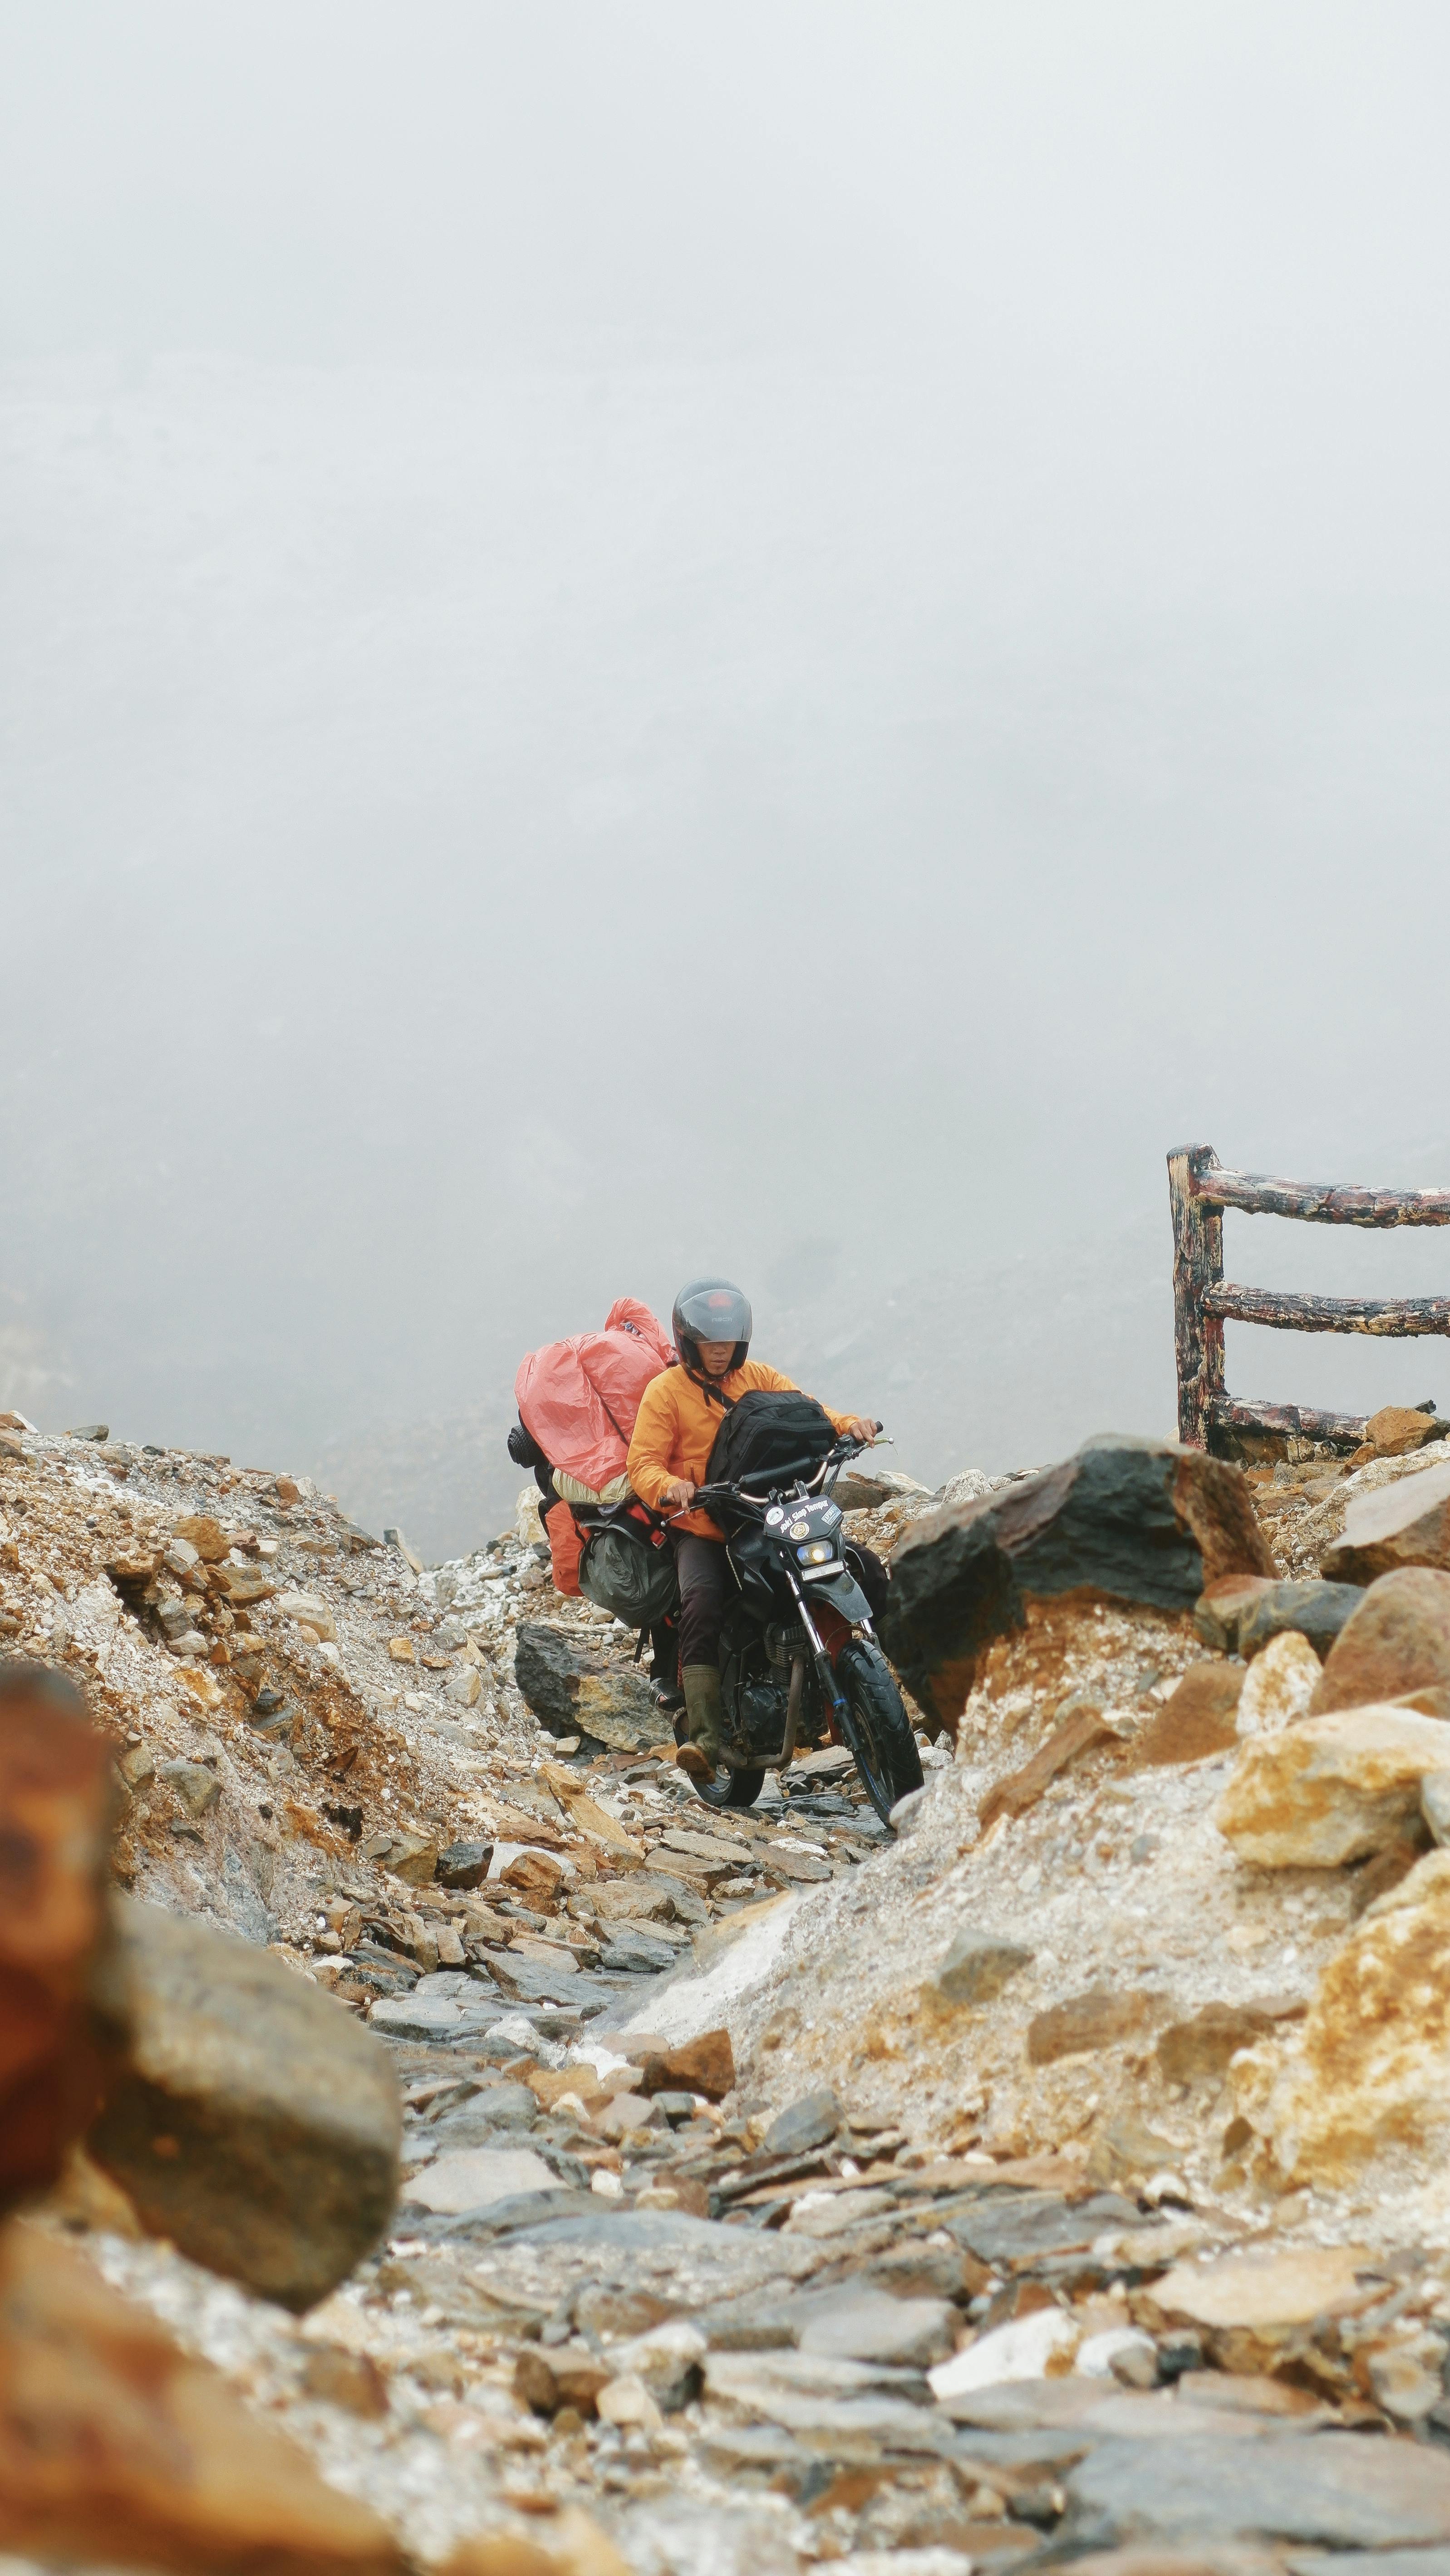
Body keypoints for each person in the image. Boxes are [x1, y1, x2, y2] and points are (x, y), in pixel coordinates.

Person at [626, 1278, 884, 1781]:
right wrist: (672, 1486)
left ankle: (883, 1683)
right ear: (687, 1341)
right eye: (710, 1343)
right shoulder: (666, 1392)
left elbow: (807, 1409)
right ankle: (703, 1737)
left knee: (857, 1565)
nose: (720, 1352)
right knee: (701, 1601)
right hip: (702, 1523)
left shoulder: (757, 1375)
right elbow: (643, 1463)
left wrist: (848, 1424)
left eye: (728, 1342)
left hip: (765, 1514)